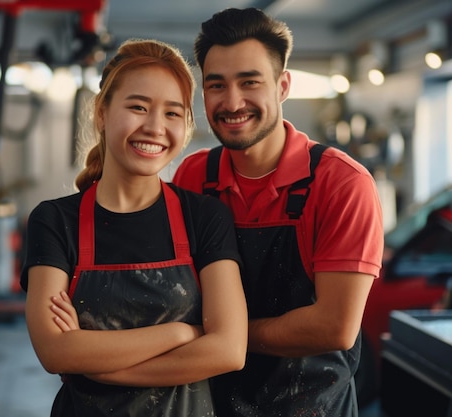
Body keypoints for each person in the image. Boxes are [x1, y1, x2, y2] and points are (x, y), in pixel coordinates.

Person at [172, 8, 384, 417]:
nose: (232, 102)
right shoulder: (194, 175)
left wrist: (220, 337)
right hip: (208, 406)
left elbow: (335, 327)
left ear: (282, 85)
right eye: (217, 85)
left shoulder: (341, 183)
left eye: (249, 82)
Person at [21, 39, 248, 417]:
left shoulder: (205, 217)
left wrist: (96, 362)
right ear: (101, 112)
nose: (155, 127)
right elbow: (54, 351)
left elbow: (228, 349)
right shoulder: (55, 221)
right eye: (138, 107)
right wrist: (180, 334)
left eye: (173, 113)